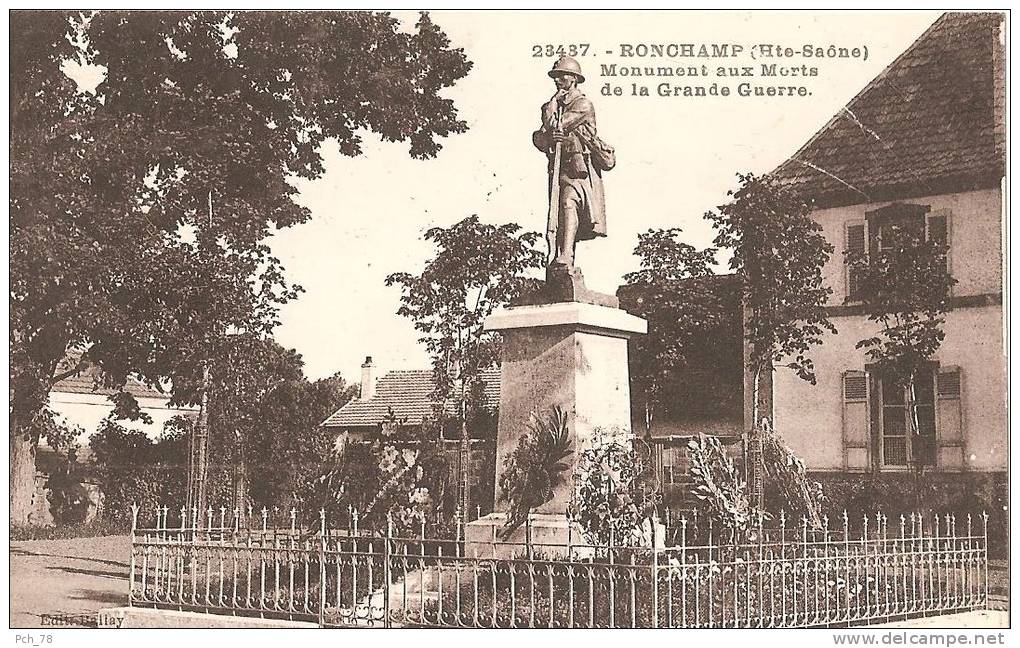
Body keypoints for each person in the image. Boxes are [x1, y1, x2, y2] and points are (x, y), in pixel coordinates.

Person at [532, 56, 609, 269]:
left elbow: (559, 124)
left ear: (574, 78)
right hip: (558, 165)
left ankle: (566, 255)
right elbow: (544, 135)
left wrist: (554, 106)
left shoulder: (582, 104)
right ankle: (559, 256)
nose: (557, 80)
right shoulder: (553, 105)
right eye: (555, 76)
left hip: (578, 167)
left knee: (569, 203)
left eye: (562, 75)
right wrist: (553, 108)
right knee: (558, 213)